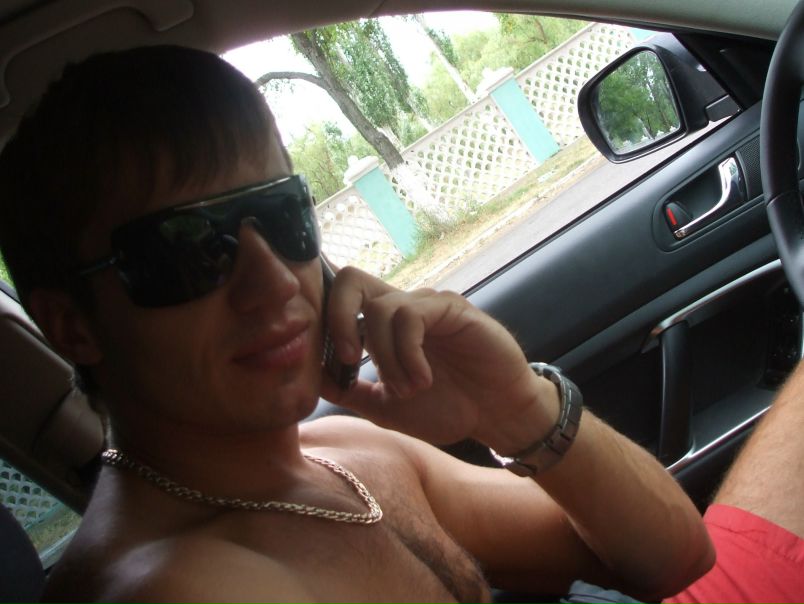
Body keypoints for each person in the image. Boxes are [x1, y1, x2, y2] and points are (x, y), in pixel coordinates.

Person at [0, 45, 716, 603]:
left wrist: (514, 407)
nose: (275, 282)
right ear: (74, 326)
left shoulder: (342, 451)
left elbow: (675, 560)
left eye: (281, 215)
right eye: (186, 250)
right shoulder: (174, 586)